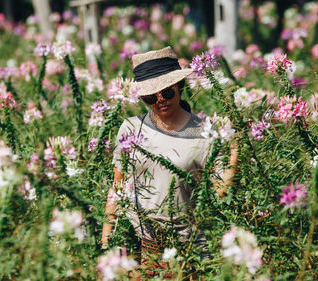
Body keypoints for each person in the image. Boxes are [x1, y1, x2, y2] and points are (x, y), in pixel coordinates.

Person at [101, 46, 238, 278]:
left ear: (180, 86)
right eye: (150, 97)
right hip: (139, 240)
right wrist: (106, 240)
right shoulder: (131, 127)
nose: (160, 100)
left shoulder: (204, 133)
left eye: (167, 92)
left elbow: (220, 191)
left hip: (185, 246)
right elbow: (117, 186)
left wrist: (234, 149)